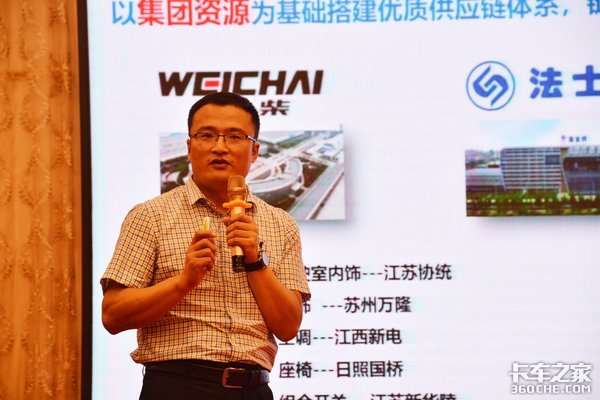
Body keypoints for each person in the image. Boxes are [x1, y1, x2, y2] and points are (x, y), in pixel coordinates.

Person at [100, 92, 311, 400]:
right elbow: (113, 315)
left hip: (253, 390)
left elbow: (288, 326)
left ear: (254, 151)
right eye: (207, 135)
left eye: (235, 137)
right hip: (177, 387)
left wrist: (255, 260)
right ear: (189, 147)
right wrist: (184, 281)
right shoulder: (150, 216)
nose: (220, 147)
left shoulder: (281, 224)